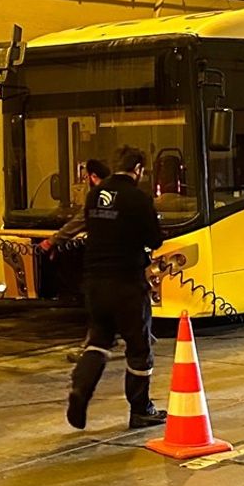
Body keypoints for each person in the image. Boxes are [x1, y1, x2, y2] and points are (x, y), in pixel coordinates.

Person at [67, 145, 167, 430]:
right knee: (139, 347)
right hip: (127, 284)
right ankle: (141, 409)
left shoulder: (95, 195)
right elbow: (154, 239)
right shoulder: (137, 198)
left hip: (95, 283)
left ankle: (80, 390)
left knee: (98, 341)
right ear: (138, 170)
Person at [40, 159, 110, 254]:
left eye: (86, 178)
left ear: (93, 177)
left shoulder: (96, 197)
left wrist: (52, 241)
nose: (85, 182)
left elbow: (79, 220)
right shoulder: (120, 192)